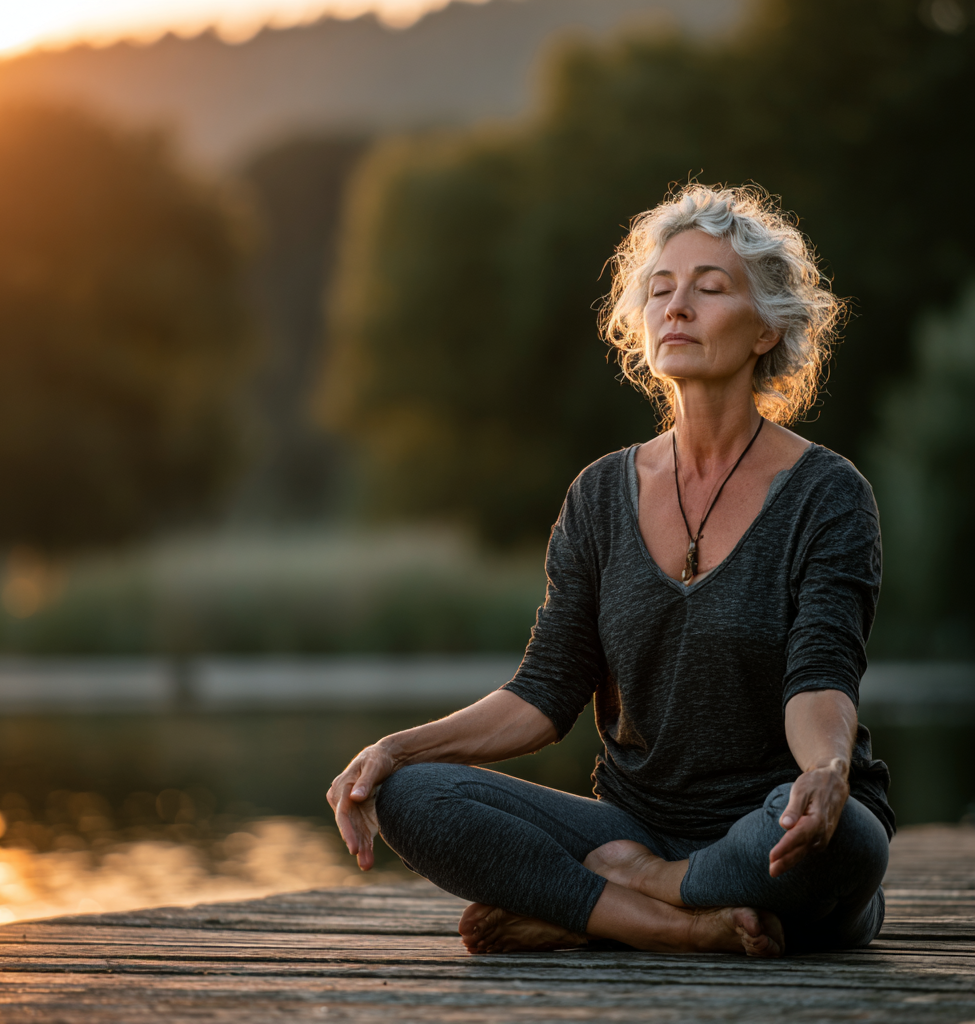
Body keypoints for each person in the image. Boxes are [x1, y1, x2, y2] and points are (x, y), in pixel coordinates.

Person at [326, 184, 893, 959]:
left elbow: (820, 676)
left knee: (846, 839)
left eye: (709, 287)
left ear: (766, 328)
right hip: (630, 822)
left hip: (770, 817)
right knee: (412, 796)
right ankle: (672, 923)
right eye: (660, 290)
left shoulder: (828, 494)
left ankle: (621, 899)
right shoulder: (599, 495)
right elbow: (544, 693)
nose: (677, 307)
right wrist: (398, 748)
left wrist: (826, 771)